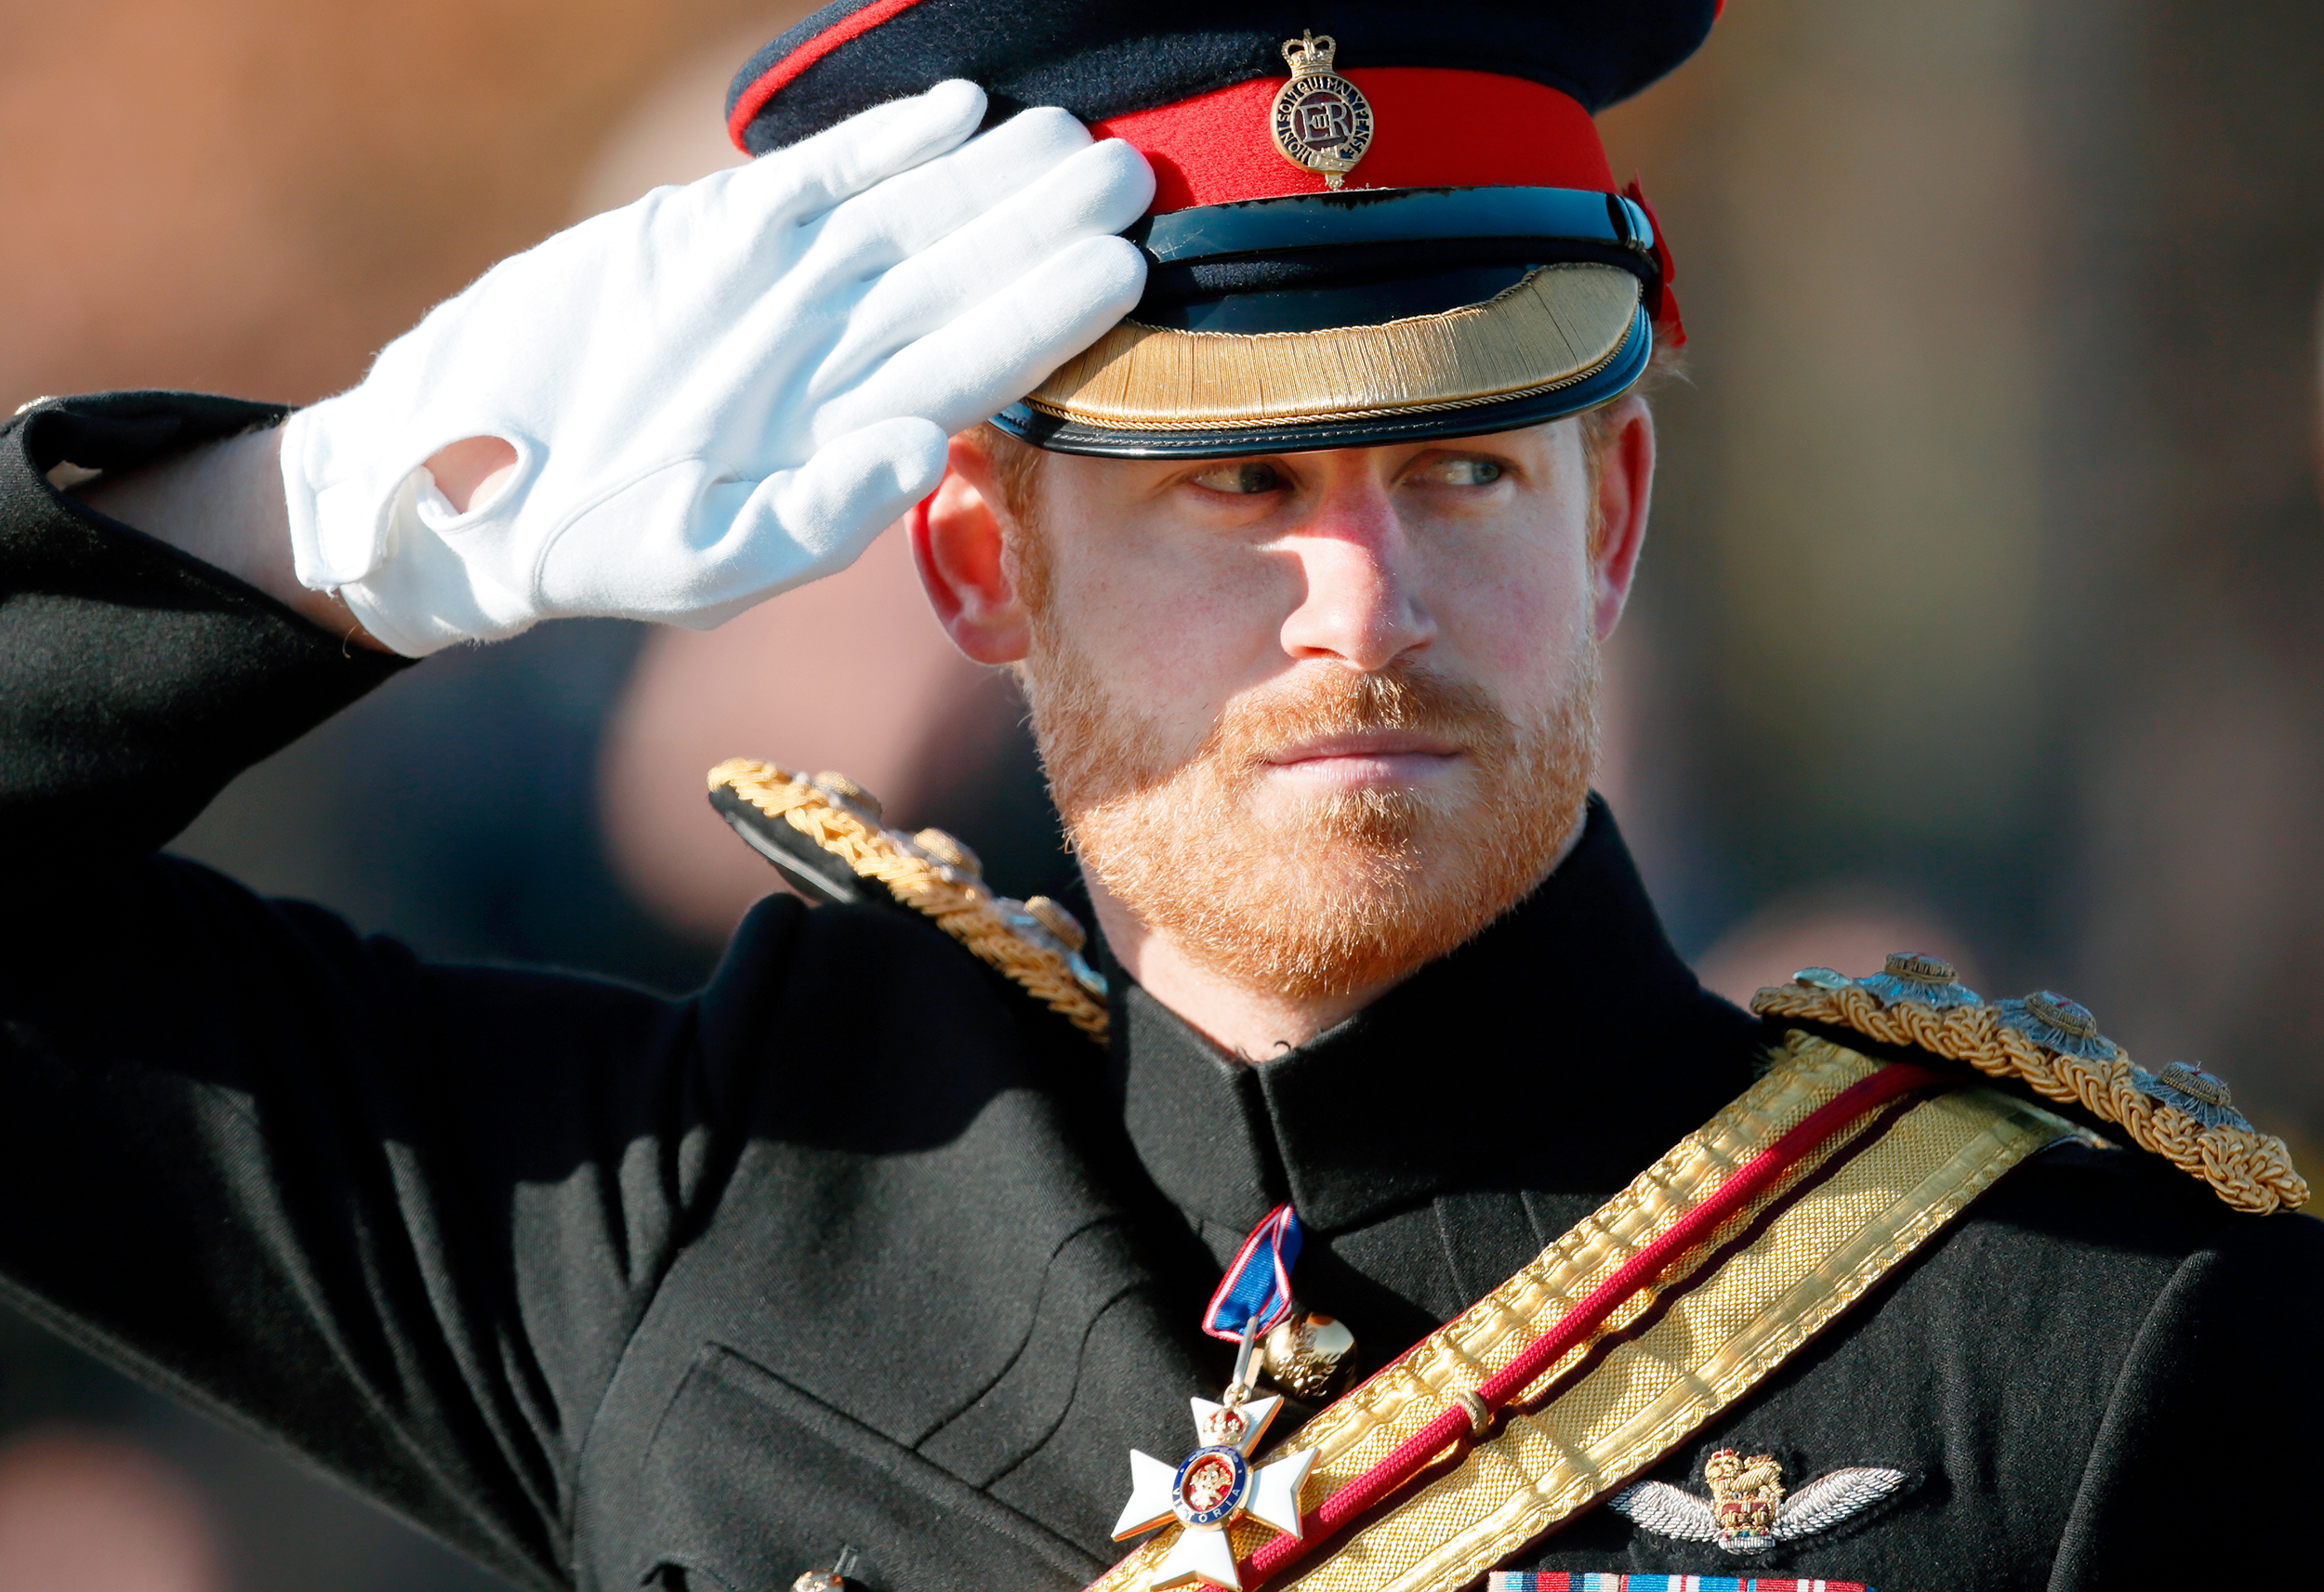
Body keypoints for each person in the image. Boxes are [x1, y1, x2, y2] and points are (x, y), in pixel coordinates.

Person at [2, 5, 2318, 1590]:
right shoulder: (702, 1224)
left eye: (1460, 468)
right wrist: (326, 526)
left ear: (1607, 515)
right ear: (974, 556)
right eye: (1234, 482)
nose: (1362, 597)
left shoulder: (2086, 1340)